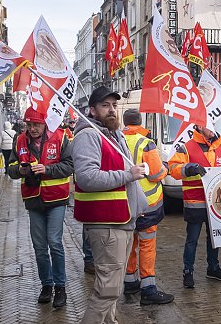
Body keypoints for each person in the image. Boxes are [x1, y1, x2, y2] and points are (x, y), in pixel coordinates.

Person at [71, 86, 148, 323]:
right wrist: (128, 175)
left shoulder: (114, 135)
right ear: (92, 111)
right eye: (105, 105)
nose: (112, 110)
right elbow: (87, 177)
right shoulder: (88, 136)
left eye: (114, 105)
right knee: (108, 289)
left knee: (113, 287)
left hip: (122, 220)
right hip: (106, 223)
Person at [7, 107, 73, 308]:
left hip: (56, 198)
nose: (32, 128)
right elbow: (10, 169)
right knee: (39, 247)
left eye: (36, 124)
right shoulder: (19, 140)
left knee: (54, 242)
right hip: (33, 200)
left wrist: (48, 169)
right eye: (29, 124)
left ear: (45, 123)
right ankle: (46, 285)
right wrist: (19, 169)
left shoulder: (61, 137)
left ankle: (60, 287)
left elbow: (70, 165)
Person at [169, 124, 221, 289]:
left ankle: (213, 268)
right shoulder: (186, 147)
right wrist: (189, 168)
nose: (212, 128)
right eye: (208, 125)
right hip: (195, 202)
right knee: (192, 240)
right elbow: (173, 169)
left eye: (213, 124)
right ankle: (188, 271)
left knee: (215, 238)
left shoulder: (220, 147)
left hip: (216, 203)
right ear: (199, 126)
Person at [121, 109, 174, 305]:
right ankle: (149, 289)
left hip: (125, 202)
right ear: (140, 122)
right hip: (147, 204)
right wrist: (166, 168)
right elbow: (156, 174)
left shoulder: (115, 140)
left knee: (130, 243)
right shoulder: (146, 143)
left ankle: (130, 282)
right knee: (147, 245)